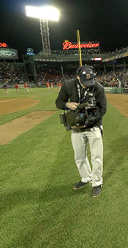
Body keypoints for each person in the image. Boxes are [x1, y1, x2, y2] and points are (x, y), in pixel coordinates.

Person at [55, 65, 107, 197]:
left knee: (96, 157)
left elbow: (103, 109)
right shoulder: (68, 85)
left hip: (93, 126)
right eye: (84, 82)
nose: (87, 85)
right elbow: (58, 102)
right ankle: (86, 177)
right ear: (78, 77)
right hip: (76, 128)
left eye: (90, 82)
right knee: (79, 156)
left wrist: (88, 121)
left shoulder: (98, 88)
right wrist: (68, 105)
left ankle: (97, 182)